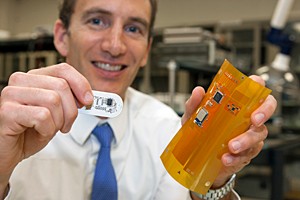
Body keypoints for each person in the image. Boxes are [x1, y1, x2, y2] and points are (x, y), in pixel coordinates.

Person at [0, 0, 277, 199]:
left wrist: (213, 180)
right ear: (61, 36)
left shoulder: (165, 128)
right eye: (97, 21)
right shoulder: (13, 123)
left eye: (133, 29)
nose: (115, 46)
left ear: (146, 50)